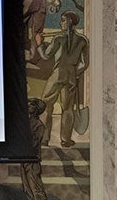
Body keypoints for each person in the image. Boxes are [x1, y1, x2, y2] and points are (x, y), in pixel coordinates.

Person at [38, 11, 88, 147]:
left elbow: (46, 56)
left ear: (70, 21)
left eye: (63, 20)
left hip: (57, 75)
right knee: (68, 108)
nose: (61, 23)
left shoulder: (58, 39)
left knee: (46, 106)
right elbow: (85, 63)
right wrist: (74, 72)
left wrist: (39, 44)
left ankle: (44, 139)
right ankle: (66, 140)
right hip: (71, 76)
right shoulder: (83, 40)